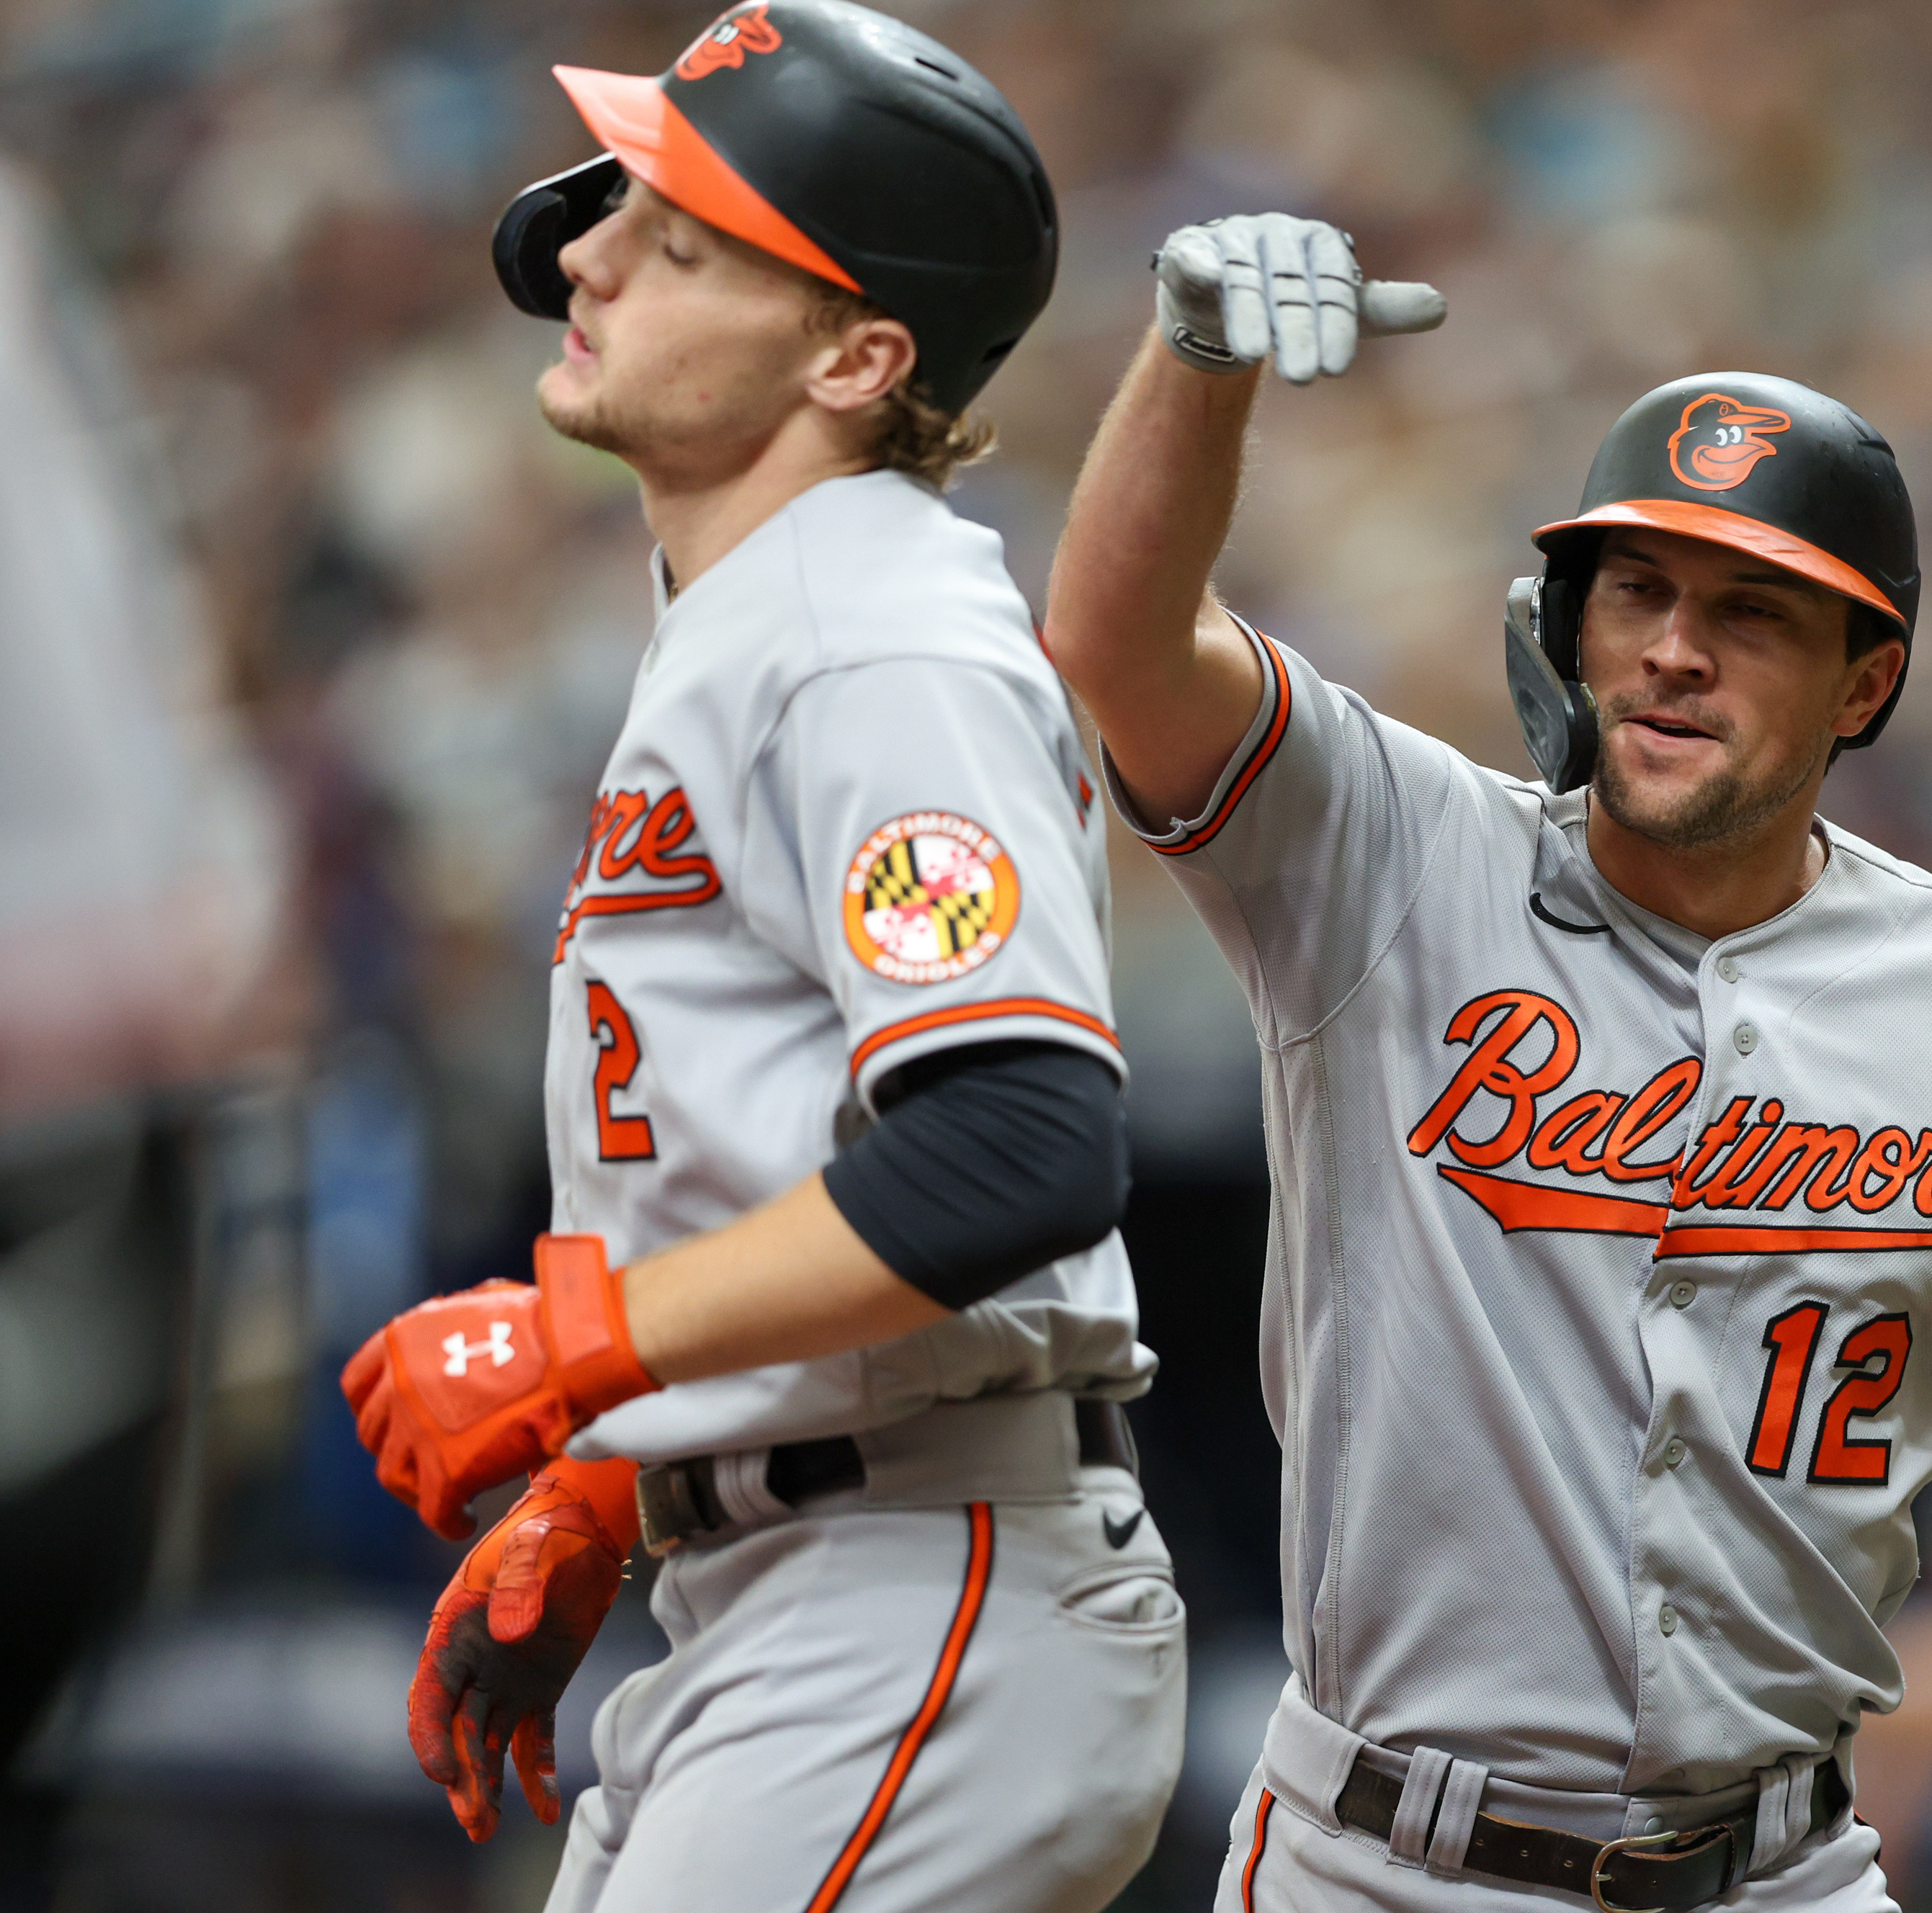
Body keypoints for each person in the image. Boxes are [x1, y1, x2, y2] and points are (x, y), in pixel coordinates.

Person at [1042, 213, 1932, 1913]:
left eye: (1752, 612)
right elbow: (1115, 641)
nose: (1675, 647)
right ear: (1566, 625)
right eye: (1639, 590)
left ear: (1867, 683)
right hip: (1386, 1860)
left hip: (1787, 1866)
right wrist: (1194, 366)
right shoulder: (1391, 859)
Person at [336, 8, 1183, 1909]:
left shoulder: (874, 639)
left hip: (919, 1595)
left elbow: (1020, 1144)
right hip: (800, 1582)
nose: (585, 255)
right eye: (619, 208)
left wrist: (576, 1353)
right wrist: (620, 1474)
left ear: (857, 354)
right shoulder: (768, 619)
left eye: (683, 239)